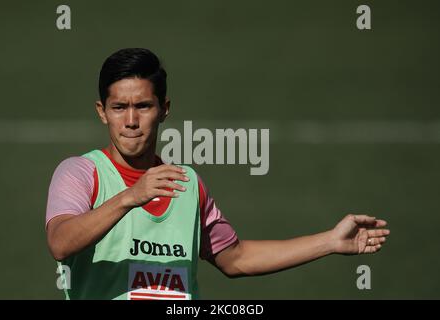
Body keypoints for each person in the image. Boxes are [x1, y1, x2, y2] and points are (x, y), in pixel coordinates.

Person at [45, 48, 390, 300]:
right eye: (119, 107)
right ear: (102, 112)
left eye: (143, 106)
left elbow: (235, 258)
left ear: (164, 110)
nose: (131, 121)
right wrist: (129, 197)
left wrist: (330, 241)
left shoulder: (188, 186)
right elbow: (60, 242)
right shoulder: (81, 173)